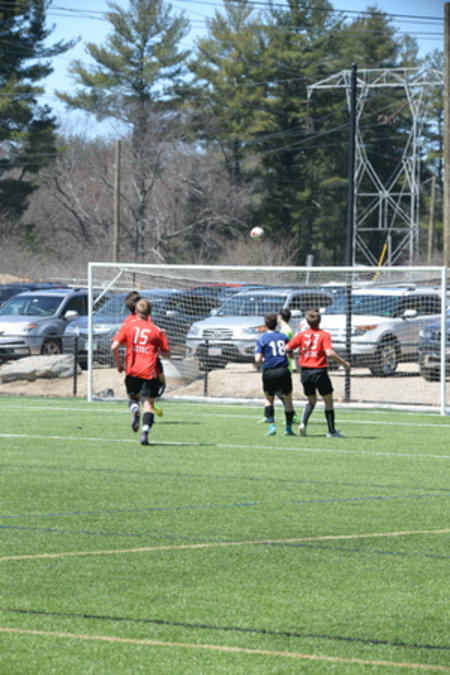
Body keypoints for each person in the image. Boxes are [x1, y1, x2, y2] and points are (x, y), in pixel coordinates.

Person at [111, 298, 171, 445]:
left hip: (132, 371)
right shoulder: (156, 330)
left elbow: (114, 347)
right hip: (149, 372)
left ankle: (134, 410)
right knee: (149, 406)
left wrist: (119, 365)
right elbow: (167, 354)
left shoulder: (128, 326)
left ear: (136, 311)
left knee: (133, 398)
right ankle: (145, 433)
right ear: (150, 313)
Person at [286, 307, 350, 438]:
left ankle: (303, 423)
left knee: (311, 401)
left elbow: (287, 347)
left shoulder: (302, 335)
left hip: (305, 372)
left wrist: (291, 354)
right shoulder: (324, 335)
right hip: (319, 371)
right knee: (328, 401)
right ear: (319, 320)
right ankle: (331, 431)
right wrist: (344, 363)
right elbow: (329, 353)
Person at [123, 290, 165, 417]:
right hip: (149, 358)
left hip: (133, 360)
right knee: (161, 380)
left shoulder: (128, 321)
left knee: (133, 394)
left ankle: (138, 406)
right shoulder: (146, 318)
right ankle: (152, 401)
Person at [254, 312, 295, 436]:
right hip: (283, 371)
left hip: (269, 372)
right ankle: (288, 428)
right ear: (276, 324)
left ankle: (272, 426)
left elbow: (257, 359)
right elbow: (291, 354)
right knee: (288, 399)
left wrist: (265, 358)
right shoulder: (283, 337)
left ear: (265, 324)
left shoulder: (262, 338)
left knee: (268, 399)